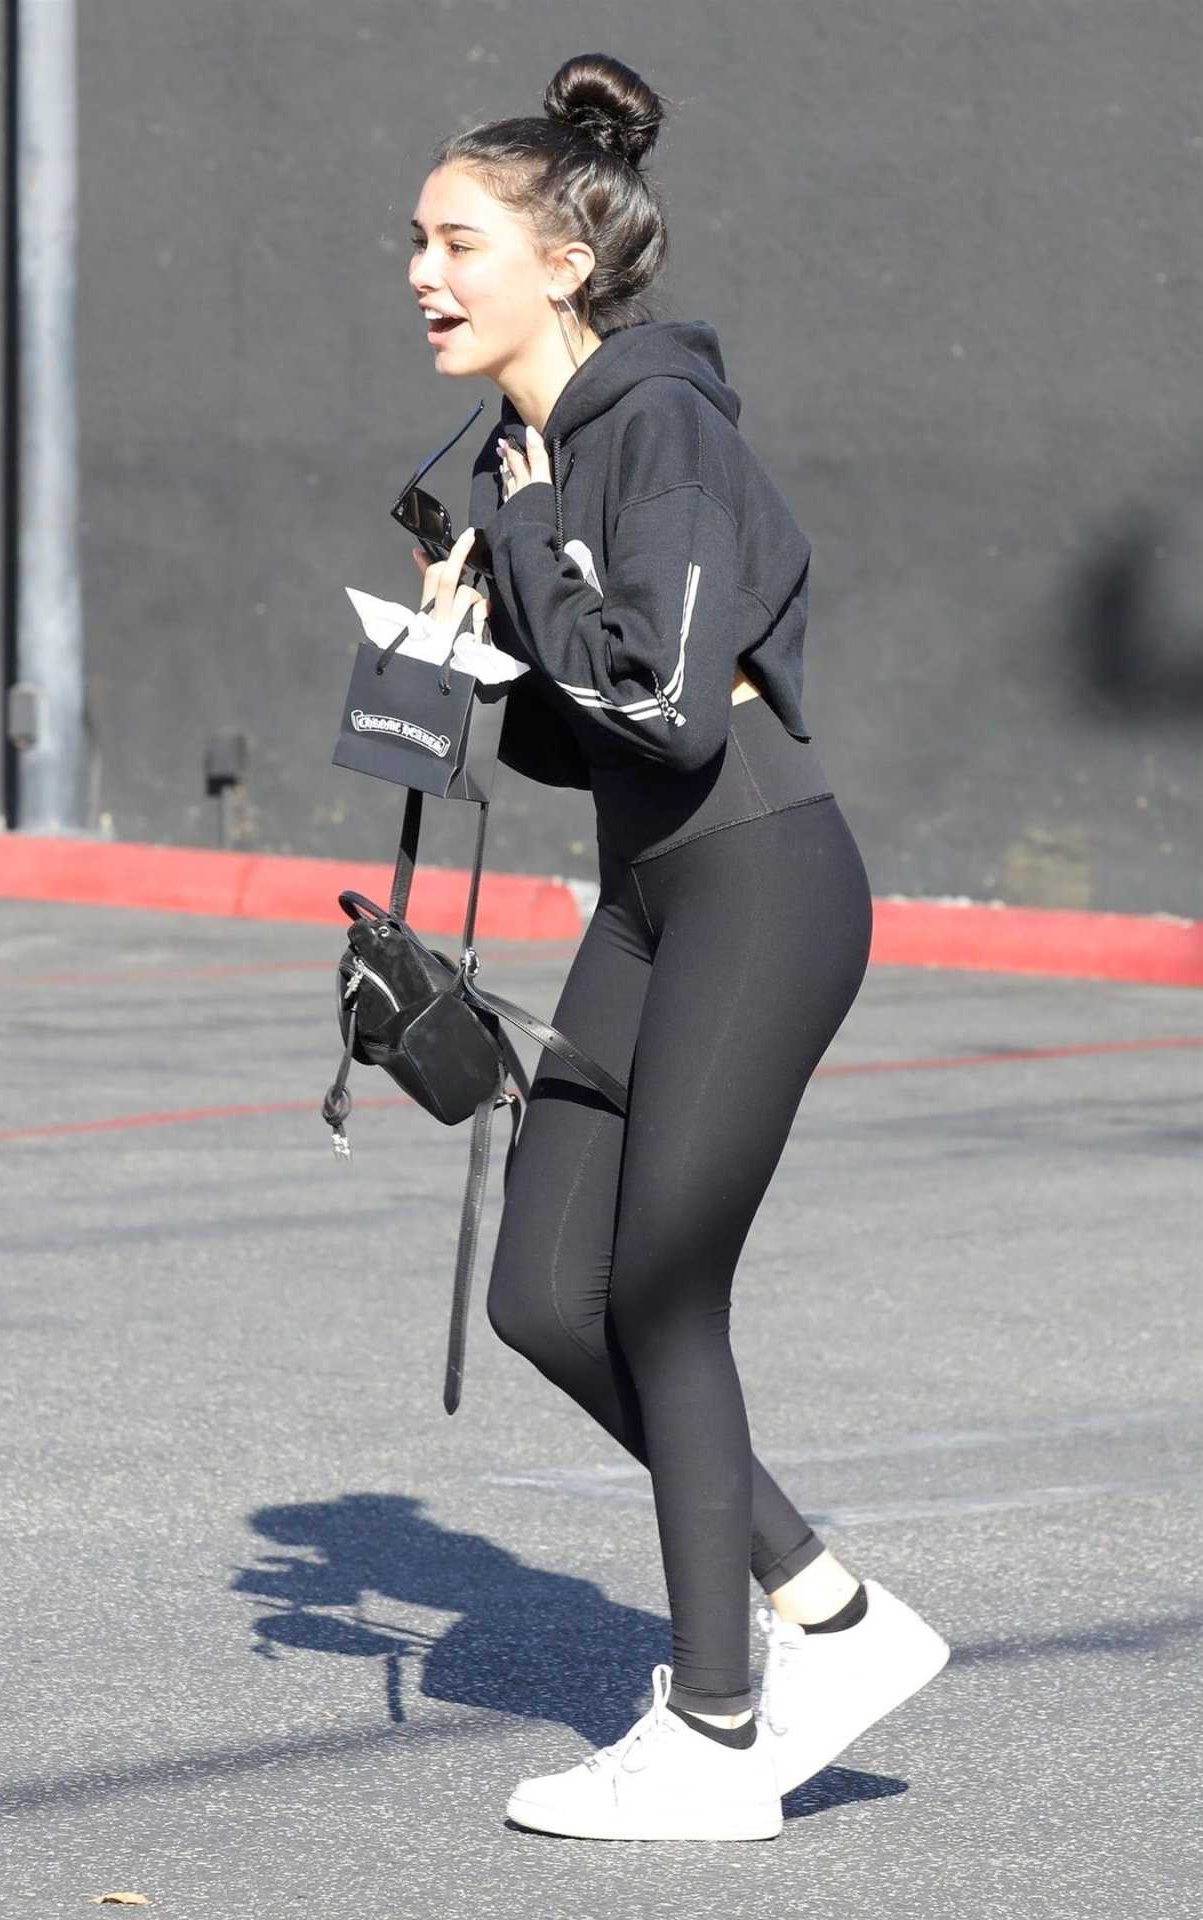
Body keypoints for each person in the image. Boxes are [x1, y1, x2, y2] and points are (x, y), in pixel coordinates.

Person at [407, 52, 949, 1843]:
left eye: (459, 243)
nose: (423, 274)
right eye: (418, 241)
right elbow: (598, 729)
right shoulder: (549, 452)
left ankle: (720, 1729)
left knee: (658, 1290)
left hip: (762, 881)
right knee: (546, 1291)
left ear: (563, 264)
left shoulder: (659, 432)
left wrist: (525, 543)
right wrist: (473, 633)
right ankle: (835, 1620)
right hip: (653, 890)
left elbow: (669, 704)